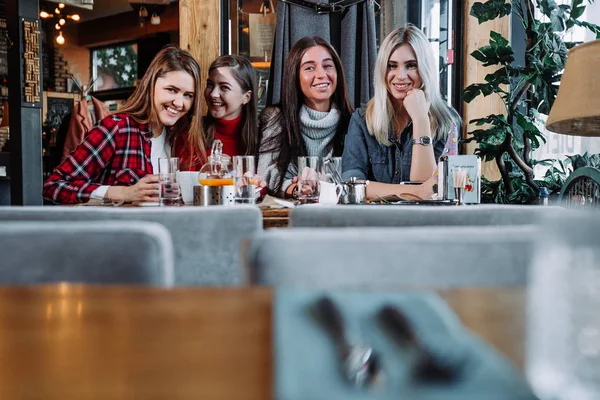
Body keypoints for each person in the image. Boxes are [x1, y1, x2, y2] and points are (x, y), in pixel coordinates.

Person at [43, 45, 206, 204]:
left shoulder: (180, 139)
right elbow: (53, 186)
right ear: (151, 85)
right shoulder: (117, 128)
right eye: (171, 90)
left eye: (188, 95)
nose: (179, 102)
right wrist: (122, 192)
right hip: (119, 229)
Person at [342, 24, 461, 200]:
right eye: (392, 66)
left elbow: (429, 189)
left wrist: (421, 120)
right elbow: (351, 185)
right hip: (372, 223)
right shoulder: (362, 119)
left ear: (424, 69)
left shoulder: (447, 120)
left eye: (411, 65)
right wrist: (414, 193)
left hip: (425, 223)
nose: (401, 75)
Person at [257, 36, 354, 198]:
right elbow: (267, 174)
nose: (321, 74)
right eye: (309, 68)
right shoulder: (277, 118)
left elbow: (357, 176)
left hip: (341, 216)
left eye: (327, 66)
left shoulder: (353, 122)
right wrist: (297, 188)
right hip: (291, 215)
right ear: (295, 76)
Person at [202, 55, 259, 158]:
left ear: (246, 97)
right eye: (210, 85)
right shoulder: (191, 132)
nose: (213, 94)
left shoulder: (263, 140)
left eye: (224, 87)